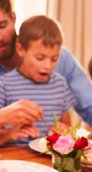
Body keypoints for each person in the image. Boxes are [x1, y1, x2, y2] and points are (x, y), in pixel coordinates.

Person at [0, 0, 92, 144]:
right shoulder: (5, 84)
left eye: (2, 26)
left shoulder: (62, 62)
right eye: (40, 58)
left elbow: (90, 104)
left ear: (13, 18)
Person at [0, 15, 76, 145]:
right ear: (21, 50)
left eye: (54, 59)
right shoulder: (4, 84)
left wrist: (65, 132)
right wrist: (10, 134)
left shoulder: (60, 84)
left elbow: (69, 129)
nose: (48, 66)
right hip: (15, 158)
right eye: (40, 58)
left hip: (49, 159)